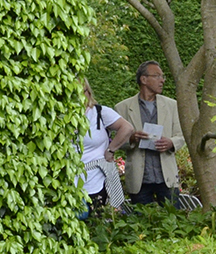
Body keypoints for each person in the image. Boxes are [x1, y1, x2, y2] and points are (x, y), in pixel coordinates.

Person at [115, 61, 186, 208]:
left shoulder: (172, 105)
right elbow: (117, 142)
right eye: (157, 76)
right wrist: (132, 138)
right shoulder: (123, 108)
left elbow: (181, 135)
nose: (162, 80)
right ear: (144, 79)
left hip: (166, 177)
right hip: (139, 179)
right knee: (141, 227)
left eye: (162, 76)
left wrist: (171, 143)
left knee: (174, 223)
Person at [79, 79, 133, 215]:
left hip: (96, 180)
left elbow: (127, 128)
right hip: (68, 181)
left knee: (96, 221)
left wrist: (110, 150)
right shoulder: (60, 116)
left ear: (88, 92)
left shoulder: (99, 113)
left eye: (83, 91)